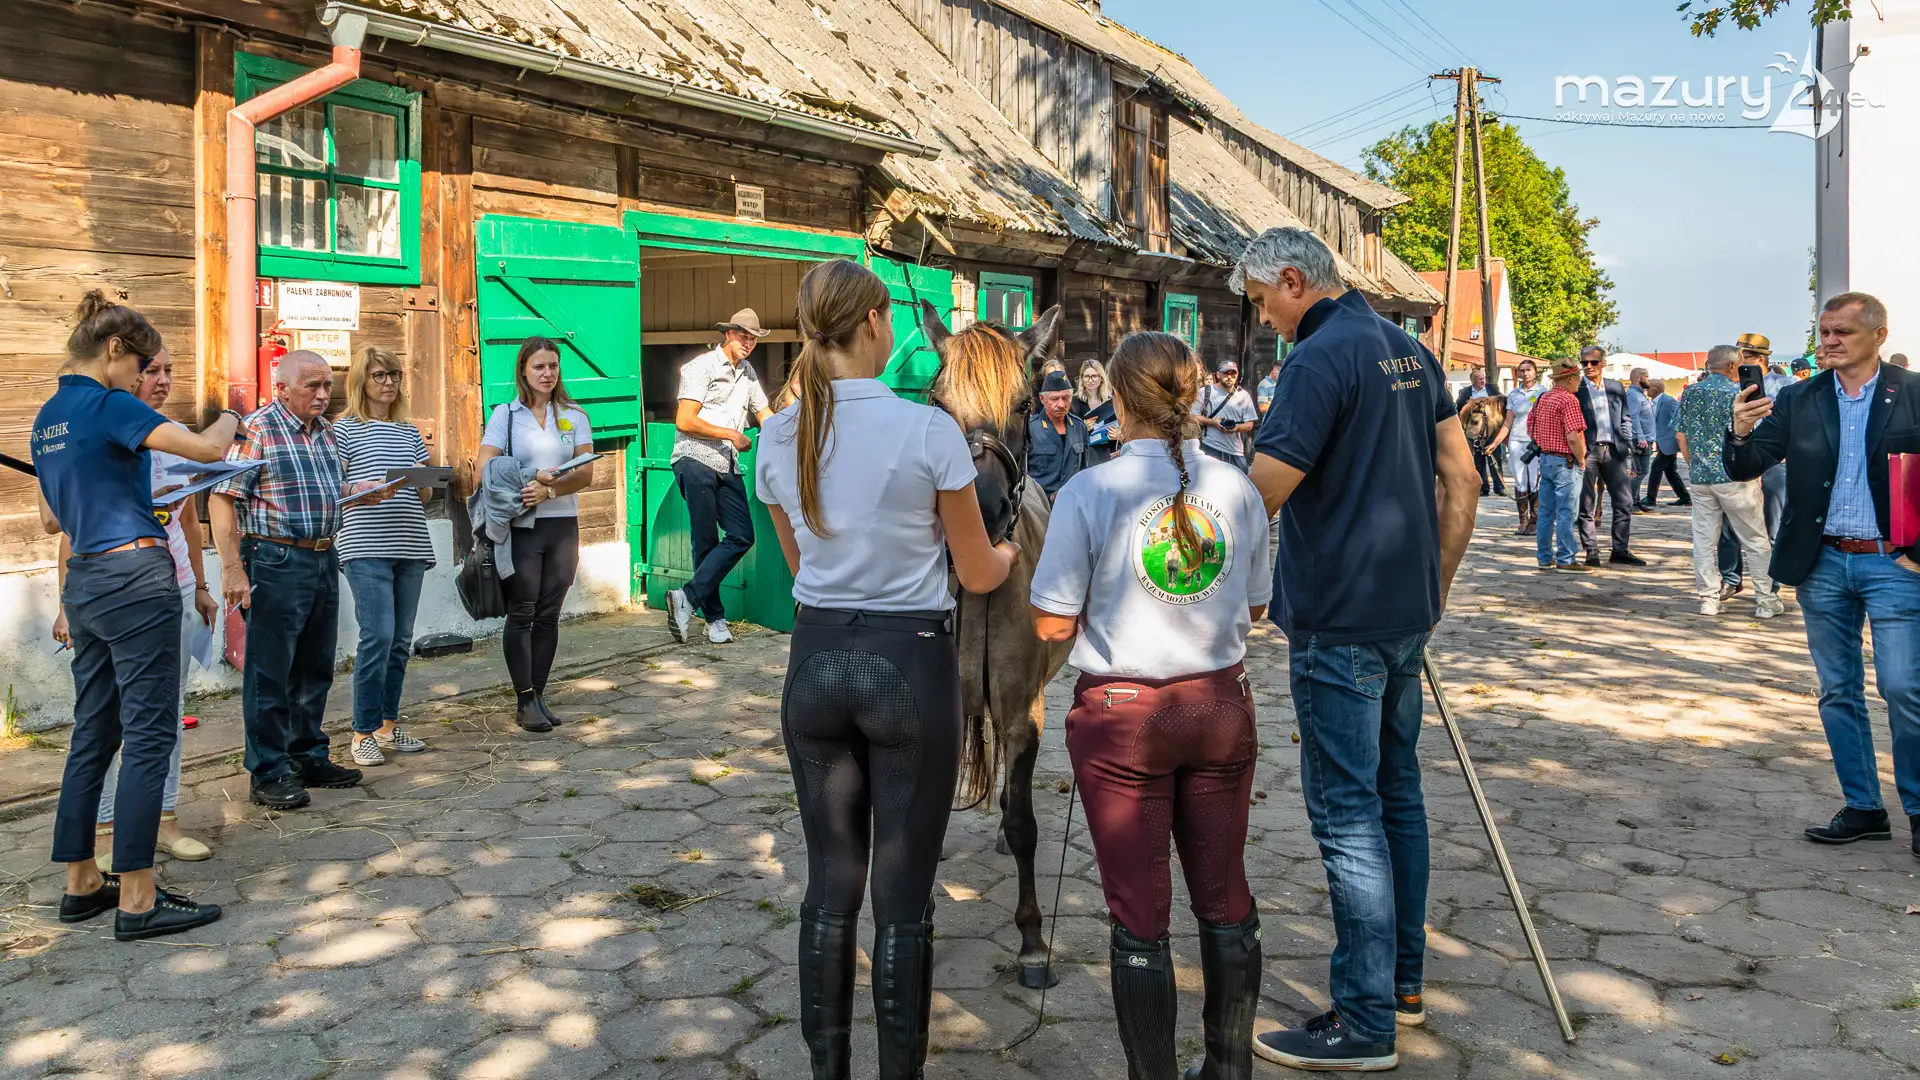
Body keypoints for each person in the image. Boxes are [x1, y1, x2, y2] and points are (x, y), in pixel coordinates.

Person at [755, 259, 1018, 1080]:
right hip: (909, 663)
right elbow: (976, 573)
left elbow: (801, 566)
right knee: (902, 900)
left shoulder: (778, 434)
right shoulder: (928, 430)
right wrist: (1009, 554)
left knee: (829, 886)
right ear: (873, 321)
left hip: (815, 662)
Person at [1232, 227, 1480, 1070]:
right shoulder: (1409, 348)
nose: (1264, 320)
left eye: (1262, 302)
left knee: (1348, 815)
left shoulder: (1317, 357)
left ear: (1293, 280)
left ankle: (1364, 1020)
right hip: (1405, 613)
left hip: (1339, 617)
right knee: (1396, 795)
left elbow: (1262, 494)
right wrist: (1433, 589)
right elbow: (1463, 478)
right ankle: (1403, 986)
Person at [1030, 331, 1272, 1080]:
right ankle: (1229, 1069)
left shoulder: (1089, 490)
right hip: (1219, 707)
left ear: (1117, 397)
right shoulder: (1238, 486)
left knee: (1140, 914)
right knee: (1226, 895)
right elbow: (1256, 608)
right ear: (1194, 392)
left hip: (1123, 718)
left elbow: (1050, 625)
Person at [34, 291, 238, 939]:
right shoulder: (109, 403)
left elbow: (50, 519)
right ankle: (139, 898)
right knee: (150, 734)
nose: (142, 377)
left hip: (86, 580)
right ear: (115, 350)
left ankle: (81, 883)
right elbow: (208, 451)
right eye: (141, 365)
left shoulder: (48, 415)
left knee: (93, 732)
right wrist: (232, 415)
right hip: (134, 575)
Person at [1727, 292, 1920, 855]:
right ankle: (1863, 807)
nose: (1830, 341)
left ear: (1879, 336)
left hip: (1894, 562)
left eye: (1843, 332)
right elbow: (1747, 464)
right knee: (1838, 690)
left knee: (1903, 687)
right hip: (1823, 563)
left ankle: (1918, 808)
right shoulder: (1801, 396)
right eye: (1825, 331)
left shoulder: (1913, 393)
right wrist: (1739, 430)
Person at [56, 348, 217, 872]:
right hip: (119, 586)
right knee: (108, 720)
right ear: (122, 369)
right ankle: (106, 832)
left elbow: (188, 521)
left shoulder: (174, 435)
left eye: (170, 370)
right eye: (151, 370)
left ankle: (164, 820)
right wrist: (64, 605)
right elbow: (67, 529)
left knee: (166, 713)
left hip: (173, 587)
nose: (163, 380)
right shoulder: (102, 430)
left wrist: (200, 585)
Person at [212, 352, 390, 810]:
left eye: (327, 385)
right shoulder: (256, 429)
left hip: (322, 555)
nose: (323, 394)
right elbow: (222, 497)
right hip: (274, 558)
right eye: (312, 385)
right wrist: (231, 568)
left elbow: (328, 491)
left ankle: (307, 755)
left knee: (315, 667)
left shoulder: (325, 431)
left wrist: (361, 490)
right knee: (270, 672)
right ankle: (268, 771)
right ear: (282, 388)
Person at [478, 338, 597, 733]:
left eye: (553, 366)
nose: (547, 374)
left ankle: (539, 694)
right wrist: (531, 478)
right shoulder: (506, 415)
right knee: (523, 611)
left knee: (549, 613)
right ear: (523, 371)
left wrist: (551, 490)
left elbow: (586, 472)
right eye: (539, 367)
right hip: (523, 526)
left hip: (563, 524)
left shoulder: (574, 415)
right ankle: (524, 698)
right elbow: (485, 468)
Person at [335, 348, 436, 765]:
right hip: (365, 545)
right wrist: (364, 488)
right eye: (379, 375)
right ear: (361, 381)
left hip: (410, 542)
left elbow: (425, 494)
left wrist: (422, 479)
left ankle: (387, 727)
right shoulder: (344, 429)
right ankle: (362, 733)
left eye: (395, 374)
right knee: (376, 635)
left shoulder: (408, 431)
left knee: (399, 641)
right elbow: (333, 486)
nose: (390, 382)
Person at [667, 310, 774, 645]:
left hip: (727, 464)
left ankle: (687, 598)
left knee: (742, 535)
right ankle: (714, 620)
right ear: (728, 334)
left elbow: (765, 414)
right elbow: (684, 420)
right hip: (695, 458)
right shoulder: (700, 367)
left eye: (753, 339)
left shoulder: (748, 373)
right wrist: (731, 433)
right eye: (743, 336)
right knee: (705, 541)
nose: (748, 343)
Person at [1673, 347, 1782, 619]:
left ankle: (1709, 599)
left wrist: (1694, 465)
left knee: (1704, 540)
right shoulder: (1738, 394)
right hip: (1736, 476)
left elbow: (1681, 435)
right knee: (1755, 540)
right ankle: (1765, 600)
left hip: (1702, 478)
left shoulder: (1691, 392)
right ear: (1733, 366)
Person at [1574, 346, 1644, 566]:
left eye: (1593, 362)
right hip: (1588, 451)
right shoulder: (1577, 389)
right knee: (1586, 503)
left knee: (1624, 501)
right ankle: (1591, 551)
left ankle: (1620, 549)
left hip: (1614, 449)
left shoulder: (1615, 387)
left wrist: (1626, 440)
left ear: (1603, 363)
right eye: (1584, 363)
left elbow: (1625, 416)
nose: (1588, 367)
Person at [1528, 358, 1591, 572]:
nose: (1580, 381)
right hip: (1566, 461)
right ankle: (1566, 558)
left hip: (1546, 459)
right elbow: (1573, 436)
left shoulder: (1543, 397)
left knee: (1546, 512)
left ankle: (1544, 557)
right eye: (1578, 377)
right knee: (1567, 512)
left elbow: (1530, 426)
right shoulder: (1568, 400)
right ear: (1570, 378)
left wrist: (1544, 441)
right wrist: (1581, 459)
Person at [1028, 369, 1088, 498]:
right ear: (1042, 399)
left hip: (1073, 501)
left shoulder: (1079, 427)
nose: (1061, 404)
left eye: (1066, 398)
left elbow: (1084, 470)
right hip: (1041, 504)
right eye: (1054, 399)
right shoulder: (1030, 429)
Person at [1504, 360, 1547, 535]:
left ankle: (1535, 520)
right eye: (1522, 370)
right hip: (1516, 439)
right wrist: (1495, 442)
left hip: (1534, 441)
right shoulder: (1513, 394)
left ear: (1535, 372)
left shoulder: (1542, 392)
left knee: (1534, 480)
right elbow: (1508, 421)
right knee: (1520, 480)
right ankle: (1523, 520)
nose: (1525, 373)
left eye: (1529, 369)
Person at [1193, 361, 1259, 472]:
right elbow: (1193, 416)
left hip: (1235, 451)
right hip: (1210, 447)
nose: (1229, 377)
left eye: (1233, 374)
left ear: (1237, 375)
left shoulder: (1243, 395)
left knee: (1240, 481)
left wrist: (1236, 428)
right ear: (1218, 375)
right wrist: (1213, 422)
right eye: (1226, 373)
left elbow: (1249, 424)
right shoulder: (1204, 392)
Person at [1639, 378, 1690, 510]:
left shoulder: (1669, 401)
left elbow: (1680, 417)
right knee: (1670, 471)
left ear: (1656, 389)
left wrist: (1675, 436)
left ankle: (1651, 498)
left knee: (1656, 468)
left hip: (1669, 442)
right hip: (1662, 442)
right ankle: (1684, 497)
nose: (1646, 390)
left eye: (1649, 388)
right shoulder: (1653, 402)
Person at [1072, 358, 1120, 465]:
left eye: (1094, 376)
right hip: (1086, 456)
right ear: (1082, 379)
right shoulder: (1074, 403)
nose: (1090, 380)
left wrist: (1119, 435)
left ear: (1101, 378)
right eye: (1086, 376)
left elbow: (1122, 427)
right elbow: (1068, 432)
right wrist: (1083, 428)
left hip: (1109, 453)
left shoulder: (1110, 402)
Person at [1626, 367, 1656, 507]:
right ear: (1639, 378)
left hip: (1644, 438)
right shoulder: (1633, 395)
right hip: (1640, 440)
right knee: (1641, 471)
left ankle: (1636, 501)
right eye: (1647, 377)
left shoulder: (1640, 395)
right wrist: (1641, 437)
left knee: (1637, 471)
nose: (1649, 380)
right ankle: (1630, 502)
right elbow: (1634, 416)